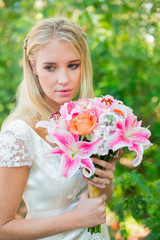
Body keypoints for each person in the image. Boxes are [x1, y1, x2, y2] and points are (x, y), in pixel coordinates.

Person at [0, 17, 122, 240]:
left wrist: (105, 180)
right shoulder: (19, 133)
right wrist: (77, 219)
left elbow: (98, 201)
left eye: (73, 65)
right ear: (33, 66)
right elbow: (2, 227)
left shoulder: (91, 120)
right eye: (50, 67)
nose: (64, 79)